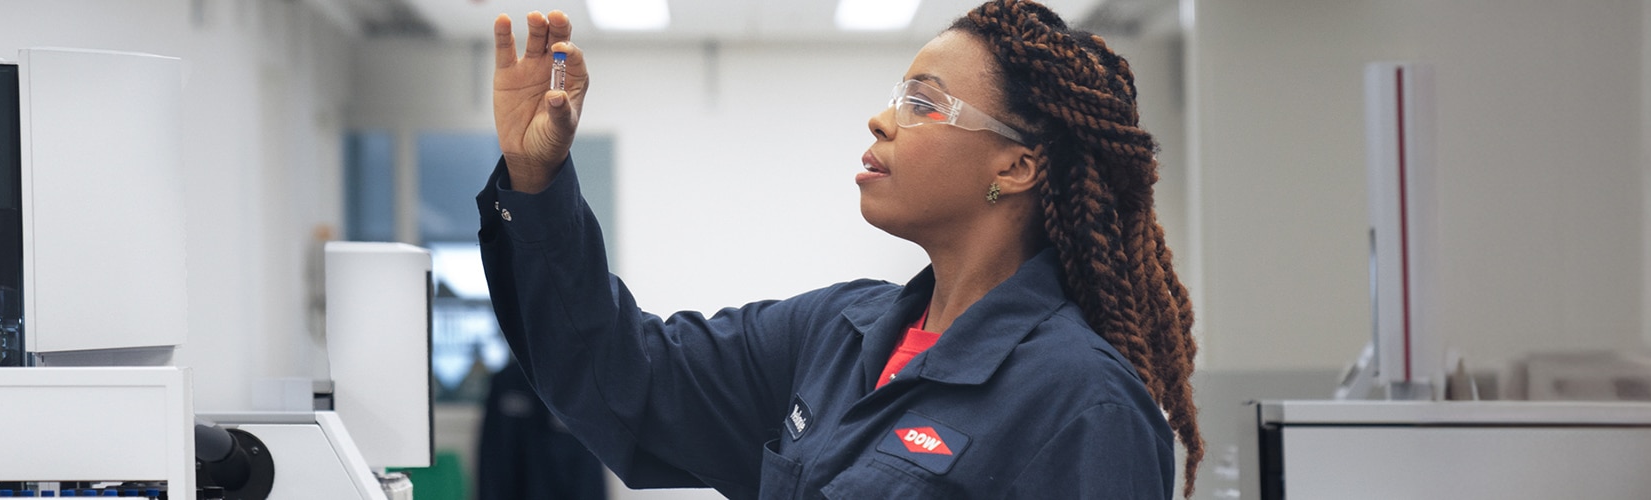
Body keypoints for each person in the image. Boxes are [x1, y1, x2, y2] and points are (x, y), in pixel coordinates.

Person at [472, 1, 1200, 498]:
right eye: (896, 96)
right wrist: (536, 182)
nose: (882, 119)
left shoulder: (1083, 403)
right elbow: (624, 376)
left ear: (1016, 167)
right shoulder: (832, 335)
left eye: (922, 102)